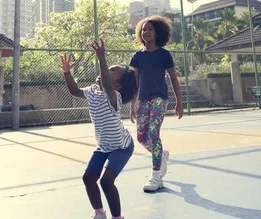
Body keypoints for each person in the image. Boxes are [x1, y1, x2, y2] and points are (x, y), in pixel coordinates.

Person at [60, 39, 138, 219]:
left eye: (112, 71)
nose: (106, 71)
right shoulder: (93, 91)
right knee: (88, 179)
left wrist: (101, 57)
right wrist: (66, 72)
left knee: (106, 181)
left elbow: (108, 85)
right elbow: (74, 91)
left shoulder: (114, 97)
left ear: (117, 85)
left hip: (122, 147)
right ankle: (99, 213)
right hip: (103, 146)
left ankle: (117, 217)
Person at [129, 15, 184, 192]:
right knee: (141, 137)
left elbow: (174, 78)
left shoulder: (164, 55)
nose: (146, 32)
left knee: (153, 134)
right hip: (143, 100)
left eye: (150, 29)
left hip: (159, 98)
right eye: (144, 29)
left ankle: (156, 176)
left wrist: (179, 102)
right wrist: (132, 105)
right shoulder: (137, 56)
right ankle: (161, 155)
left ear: (158, 32)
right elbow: (134, 82)